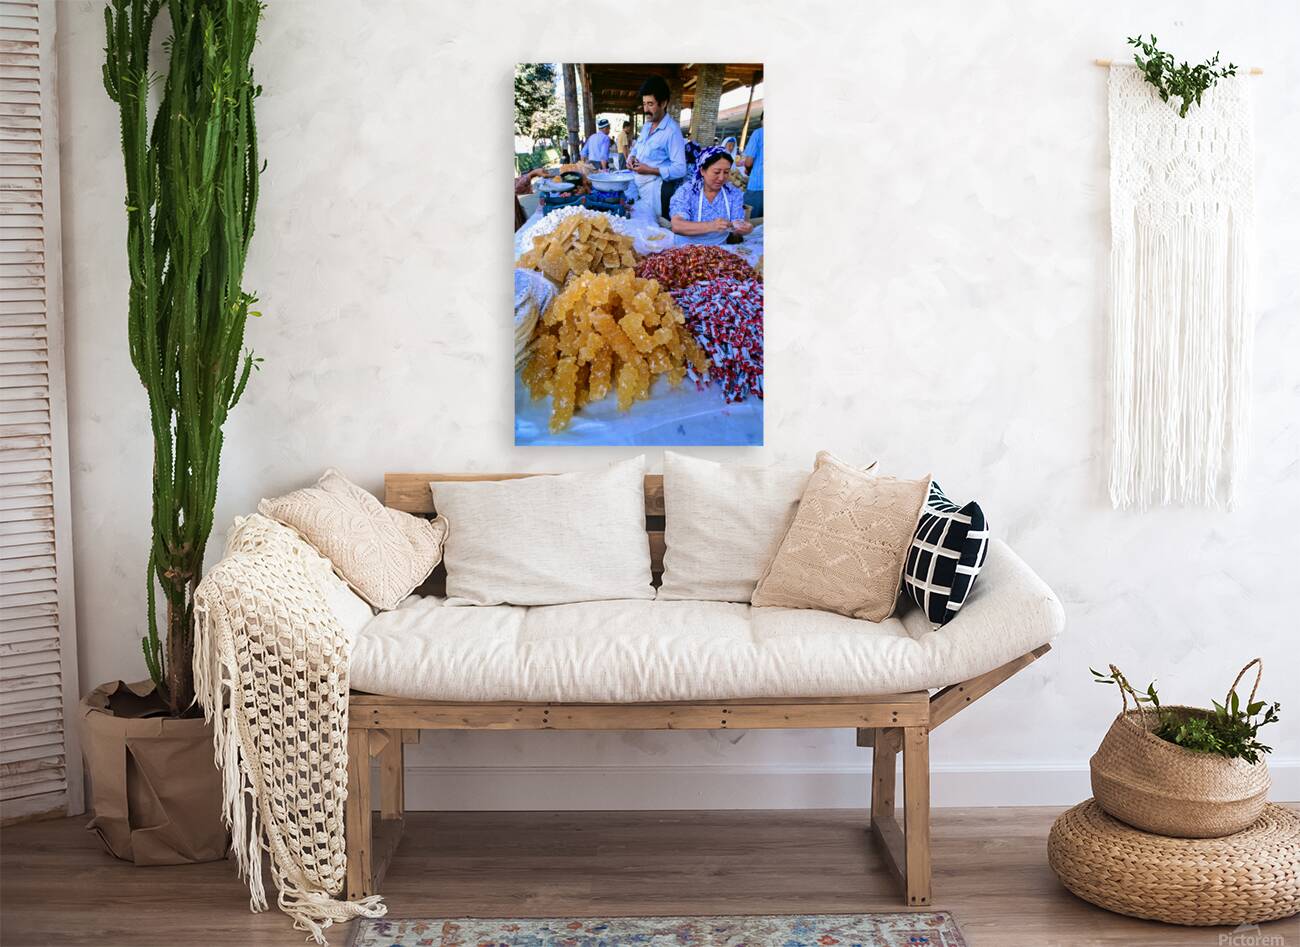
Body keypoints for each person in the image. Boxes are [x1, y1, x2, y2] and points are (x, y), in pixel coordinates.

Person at [626, 76, 686, 223]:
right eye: (644, 104)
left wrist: (651, 170)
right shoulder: (647, 125)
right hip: (637, 184)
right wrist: (631, 157)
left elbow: (680, 169)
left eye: (651, 104)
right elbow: (637, 149)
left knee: (652, 229)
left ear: (663, 103)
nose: (646, 109)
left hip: (655, 191)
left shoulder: (672, 131)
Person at [668, 145, 753, 246]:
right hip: (685, 249)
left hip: (720, 249)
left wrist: (743, 228)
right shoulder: (687, 191)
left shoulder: (733, 193)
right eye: (716, 172)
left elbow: (736, 224)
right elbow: (677, 226)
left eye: (726, 172)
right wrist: (712, 225)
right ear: (702, 171)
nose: (721, 178)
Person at [739, 125, 764, 219]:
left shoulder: (759, 133)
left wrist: (748, 170)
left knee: (749, 221)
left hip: (758, 184)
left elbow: (748, 162)